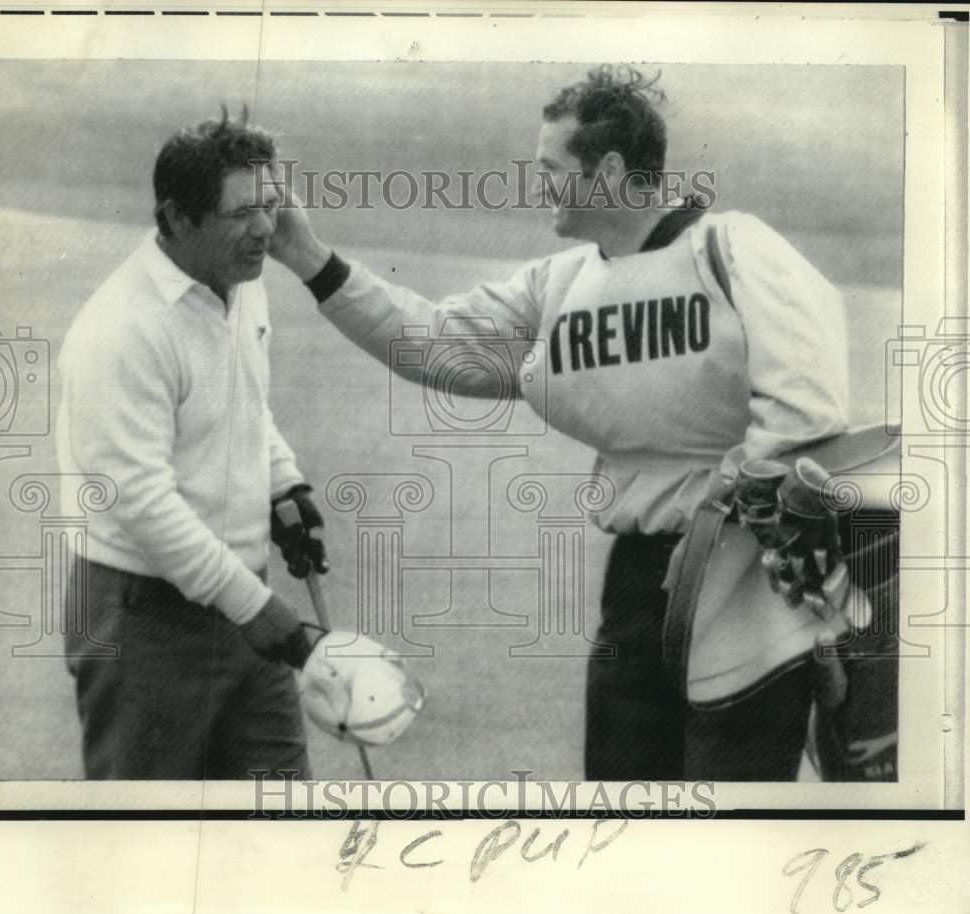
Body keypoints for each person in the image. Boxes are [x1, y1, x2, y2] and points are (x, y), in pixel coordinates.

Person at [269, 65, 852, 781]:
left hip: (748, 576)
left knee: (724, 837)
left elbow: (806, 407)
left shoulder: (733, 249)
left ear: (606, 171)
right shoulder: (562, 283)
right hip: (639, 585)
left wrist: (739, 508)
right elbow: (439, 344)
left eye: (551, 167)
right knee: (618, 817)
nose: (537, 182)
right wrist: (307, 258)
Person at [57, 109, 329, 780]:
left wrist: (284, 485)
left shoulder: (241, 286)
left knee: (279, 824)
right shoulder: (123, 327)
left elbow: (247, 407)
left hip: (240, 602)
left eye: (269, 206)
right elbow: (140, 501)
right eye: (241, 214)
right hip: (142, 620)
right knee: (147, 846)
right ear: (178, 219)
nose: (266, 230)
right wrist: (252, 604)